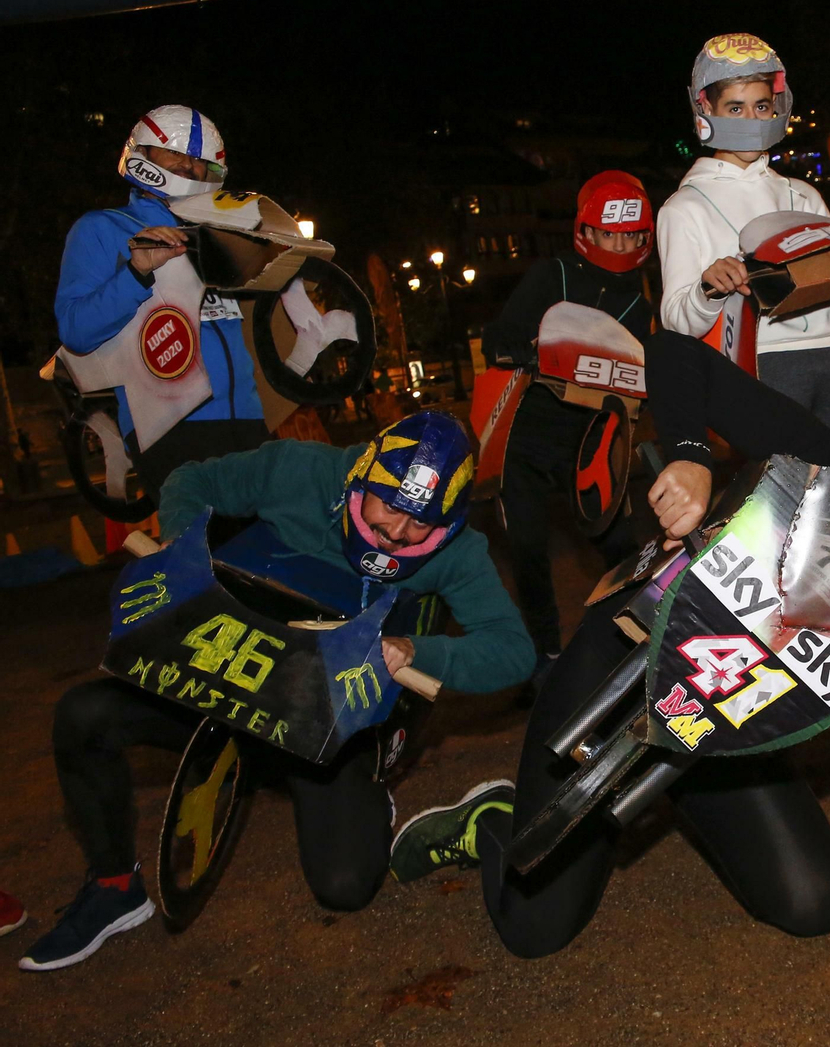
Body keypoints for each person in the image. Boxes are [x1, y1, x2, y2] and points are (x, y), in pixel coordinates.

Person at [389, 337, 830, 957]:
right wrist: (690, 456)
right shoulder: (814, 459)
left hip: (725, 729)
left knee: (810, 905)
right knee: (535, 930)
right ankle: (493, 815)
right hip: (623, 665)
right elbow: (676, 354)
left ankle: (665, 797)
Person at [19, 411, 536, 972]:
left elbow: (514, 651)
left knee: (345, 885)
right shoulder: (299, 469)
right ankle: (115, 885)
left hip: (324, 719)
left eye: (420, 524)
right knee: (83, 713)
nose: (395, 532)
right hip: (228, 677)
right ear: (361, 474)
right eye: (387, 505)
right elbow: (190, 479)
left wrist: (418, 651)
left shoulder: (458, 551)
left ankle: (367, 785)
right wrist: (183, 550)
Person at [479, 171, 655, 680]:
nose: (618, 243)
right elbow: (501, 335)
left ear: (643, 237)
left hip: (590, 440)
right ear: (588, 231)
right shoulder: (550, 275)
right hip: (526, 435)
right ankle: (543, 657)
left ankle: (644, 637)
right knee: (528, 550)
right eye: (609, 233)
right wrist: (524, 350)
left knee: (620, 546)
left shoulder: (638, 304)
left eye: (629, 234)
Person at [55, 104, 269, 493]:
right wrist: (136, 271)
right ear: (143, 154)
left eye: (199, 160)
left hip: (248, 419)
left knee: (261, 549)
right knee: (203, 551)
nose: (189, 166)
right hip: (170, 426)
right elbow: (75, 330)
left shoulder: (224, 234)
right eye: (174, 152)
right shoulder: (101, 228)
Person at [656, 33, 830, 440]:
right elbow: (675, 320)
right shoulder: (684, 207)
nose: (751, 120)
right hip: (764, 365)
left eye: (761, 106)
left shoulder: (803, 194)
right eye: (735, 107)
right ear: (705, 107)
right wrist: (707, 289)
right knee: (782, 494)